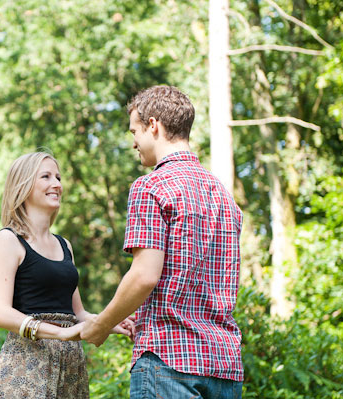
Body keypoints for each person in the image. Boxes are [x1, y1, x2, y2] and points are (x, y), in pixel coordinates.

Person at [80, 86, 244, 398]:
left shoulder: (151, 186)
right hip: (224, 366)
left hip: (168, 361)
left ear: (153, 126)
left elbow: (144, 276)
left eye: (135, 131)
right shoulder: (223, 194)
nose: (133, 143)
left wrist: (101, 325)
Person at [0, 151, 132, 399]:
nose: (57, 184)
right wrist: (61, 333)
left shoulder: (64, 245)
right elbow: (0, 314)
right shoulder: (8, 240)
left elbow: (77, 314)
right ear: (23, 185)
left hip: (70, 364)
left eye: (58, 177)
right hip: (27, 363)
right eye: (45, 176)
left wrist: (109, 322)